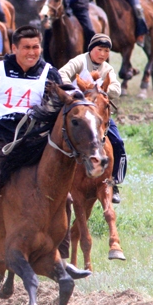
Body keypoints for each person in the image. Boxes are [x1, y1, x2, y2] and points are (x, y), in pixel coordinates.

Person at [0, 26, 91, 278]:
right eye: (26, 47)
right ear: (14, 48)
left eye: (36, 47)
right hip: (0, 140)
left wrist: (85, 93)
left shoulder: (49, 72)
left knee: (66, 198)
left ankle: (60, 258)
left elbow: (72, 96)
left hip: (35, 143)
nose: (32, 52)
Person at [58, 33, 126, 203]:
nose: (102, 54)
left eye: (106, 51)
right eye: (99, 49)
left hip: (98, 115)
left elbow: (117, 89)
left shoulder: (107, 69)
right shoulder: (80, 61)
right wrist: (76, 93)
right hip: (76, 112)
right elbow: (61, 74)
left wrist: (100, 90)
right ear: (91, 49)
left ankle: (114, 182)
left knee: (117, 143)